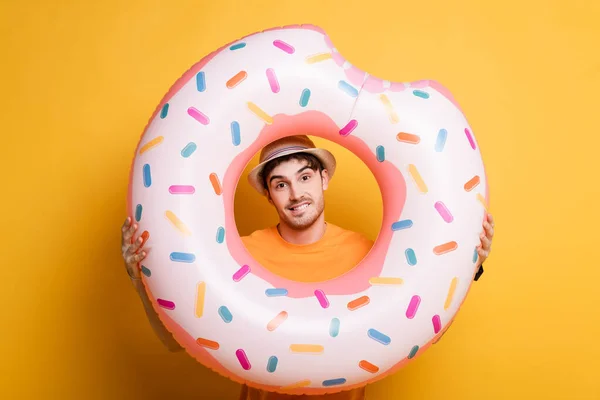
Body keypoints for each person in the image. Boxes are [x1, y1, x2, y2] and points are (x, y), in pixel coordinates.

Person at [121, 135, 495, 400]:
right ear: (268, 194)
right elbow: (175, 341)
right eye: (280, 184)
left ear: (323, 179)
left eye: (304, 177)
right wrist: (140, 280)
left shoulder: (367, 255)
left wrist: (466, 268)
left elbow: (422, 329)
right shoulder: (240, 257)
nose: (296, 194)